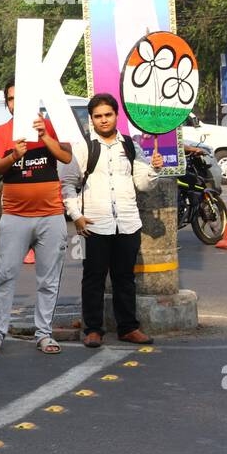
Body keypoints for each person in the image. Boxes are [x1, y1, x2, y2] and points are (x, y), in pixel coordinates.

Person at [61, 93, 162, 347]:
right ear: (91, 119)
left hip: (128, 222)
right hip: (94, 224)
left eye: (108, 115)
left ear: (116, 115)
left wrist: (154, 169)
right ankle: (93, 329)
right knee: (93, 278)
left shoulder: (130, 146)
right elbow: (68, 184)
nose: (103, 120)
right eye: (98, 116)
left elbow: (143, 184)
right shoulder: (83, 147)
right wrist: (76, 216)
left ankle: (128, 327)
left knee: (125, 278)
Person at [0, 81, 73, 356]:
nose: (15, 103)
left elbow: (66, 157)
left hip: (51, 215)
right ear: (6, 103)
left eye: (21, 98)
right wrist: (14, 155)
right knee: (4, 276)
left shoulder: (49, 126)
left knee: (49, 280)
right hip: (14, 216)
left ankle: (44, 334)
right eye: (10, 99)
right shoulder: (1, 132)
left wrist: (44, 136)